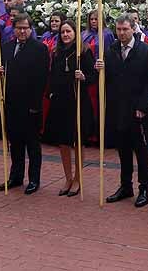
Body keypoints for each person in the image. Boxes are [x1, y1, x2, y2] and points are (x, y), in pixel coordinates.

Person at [96, 13, 148, 208]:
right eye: (119, 29)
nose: (121, 33)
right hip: (118, 108)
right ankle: (125, 185)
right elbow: (110, 78)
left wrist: (142, 106)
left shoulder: (145, 51)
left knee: (141, 150)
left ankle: (144, 187)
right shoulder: (111, 49)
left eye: (125, 29)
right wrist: (100, 68)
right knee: (123, 149)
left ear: (133, 28)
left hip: (138, 109)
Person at [0, 14, 48, 194]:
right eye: (19, 28)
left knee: (32, 144)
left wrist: (35, 105)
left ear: (31, 29)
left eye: (25, 28)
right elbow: (3, 73)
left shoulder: (39, 49)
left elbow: (42, 79)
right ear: (14, 29)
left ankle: (34, 179)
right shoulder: (7, 47)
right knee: (15, 143)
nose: (22, 31)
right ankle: (16, 176)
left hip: (30, 105)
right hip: (11, 104)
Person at [43, 19, 94, 197]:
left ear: (75, 33)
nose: (65, 35)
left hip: (78, 100)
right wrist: (50, 92)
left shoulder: (84, 52)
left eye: (69, 32)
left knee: (78, 140)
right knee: (63, 141)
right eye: (63, 32)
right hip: (60, 101)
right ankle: (68, 177)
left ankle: (79, 178)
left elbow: (94, 75)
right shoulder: (56, 52)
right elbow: (53, 75)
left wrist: (84, 76)